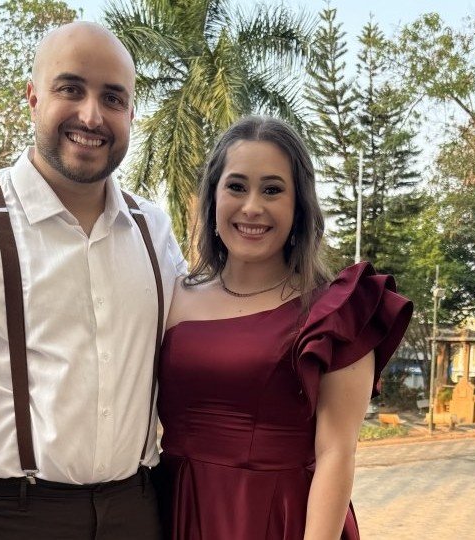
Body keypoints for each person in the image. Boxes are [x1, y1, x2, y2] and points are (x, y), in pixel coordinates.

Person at [0, 22, 184, 539]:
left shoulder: (154, 232)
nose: (91, 116)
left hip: (139, 510)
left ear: (131, 113)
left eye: (112, 98)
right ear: (32, 97)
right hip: (13, 518)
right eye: (71, 89)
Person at [155, 116, 413, 539]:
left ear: (299, 207)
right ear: (213, 197)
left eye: (272, 190)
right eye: (236, 186)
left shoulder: (334, 312)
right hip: (173, 509)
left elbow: (336, 454)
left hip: (279, 519)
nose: (252, 207)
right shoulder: (171, 295)